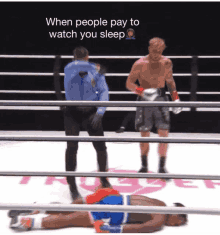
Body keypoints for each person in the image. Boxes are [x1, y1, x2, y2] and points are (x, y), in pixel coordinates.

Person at [9, 188, 187, 233]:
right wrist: (111, 229)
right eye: (180, 221)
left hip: (114, 199)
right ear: (176, 216)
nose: (178, 225)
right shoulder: (159, 219)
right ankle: (25, 222)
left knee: (70, 209)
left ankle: (36, 208)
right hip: (114, 212)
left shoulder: (160, 203)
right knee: (70, 218)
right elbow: (139, 228)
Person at [126, 37, 181, 176]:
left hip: (161, 98)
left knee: (164, 133)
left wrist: (176, 99)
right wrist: (142, 92)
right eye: (154, 50)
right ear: (149, 48)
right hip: (144, 100)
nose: (156, 53)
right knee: (144, 134)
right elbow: (129, 84)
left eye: (159, 51)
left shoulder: (166, 62)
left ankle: (162, 167)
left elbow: (170, 82)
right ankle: (144, 166)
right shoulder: (139, 63)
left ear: (163, 49)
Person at [63, 46, 111, 200]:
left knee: (101, 147)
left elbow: (104, 91)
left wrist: (100, 111)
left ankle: (104, 180)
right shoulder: (69, 68)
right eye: (80, 58)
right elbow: (79, 65)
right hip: (72, 111)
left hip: (91, 111)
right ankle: (72, 187)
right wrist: (99, 68)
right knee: (72, 147)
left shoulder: (94, 72)